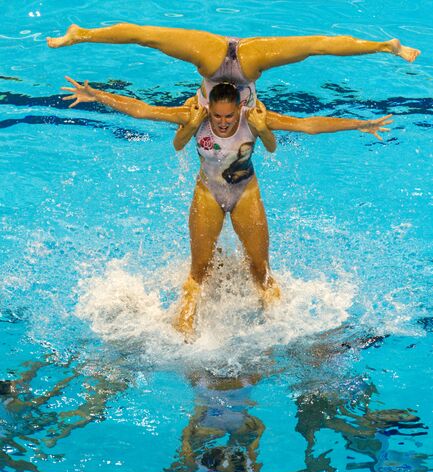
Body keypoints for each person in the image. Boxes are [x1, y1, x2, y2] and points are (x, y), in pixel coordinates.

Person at [61, 76, 393, 337]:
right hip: (208, 193)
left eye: (228, 116)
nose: (222, 123)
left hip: (245, 193)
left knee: (260, 272)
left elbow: (308, 124)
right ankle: (183, 334)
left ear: (239, 110)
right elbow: (143, 110)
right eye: (217, 116)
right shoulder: (196, 117)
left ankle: (281, 329)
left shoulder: (255, 119)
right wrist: (98, 96)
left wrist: (360, 124)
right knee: (198, 273)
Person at [47, 24, 420, 108]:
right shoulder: (252, 122)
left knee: (148, 36)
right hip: (248, 65)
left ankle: (81, 34)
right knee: (313, 46)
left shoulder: (194, 117)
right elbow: (309, 126)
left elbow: (144, 111)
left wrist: (96, 94)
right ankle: (384, 46)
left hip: (212, 59)